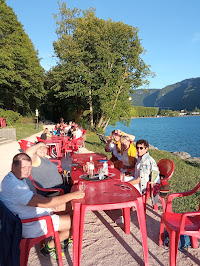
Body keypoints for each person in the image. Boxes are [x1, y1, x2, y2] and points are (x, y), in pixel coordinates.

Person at [0, 153, 85, 258]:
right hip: (28, 224)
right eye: (24, 167)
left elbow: (39, 201)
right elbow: (47, 202)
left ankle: (63, 236)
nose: (27, 170)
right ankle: (49, 247)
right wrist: (72, 195)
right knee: (78, 222)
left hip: (30, 213)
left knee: (72, 208)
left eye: (29, 167)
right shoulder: (14, 186)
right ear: (13, 166)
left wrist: (57, 203)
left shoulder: (13, 178)